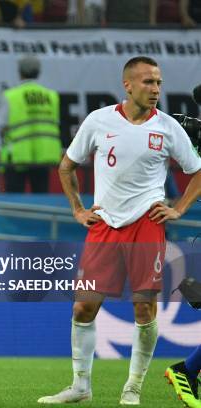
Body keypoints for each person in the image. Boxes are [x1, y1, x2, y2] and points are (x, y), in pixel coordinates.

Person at [37, 56, 201, 405]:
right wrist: (78, 209)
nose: (156, 89)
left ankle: (133, 387)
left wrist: (179, 208)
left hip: (147, 225)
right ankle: (81, 386)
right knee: (83, 308)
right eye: (147, 82)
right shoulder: (99, 121)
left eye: (158, 82)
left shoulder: (168, 127)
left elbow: (198, 170)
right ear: (127, 85)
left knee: (144, 310)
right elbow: (67, 166)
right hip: (105, 226)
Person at [0, 55, 62, 193]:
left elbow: (1, 126)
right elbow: (54, 124)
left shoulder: (11, 96)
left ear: (19, 72)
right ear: (38, 73)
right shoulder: (51, 96)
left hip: (17, 155)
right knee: (40, 201)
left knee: (14, 201)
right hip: (44, 155)